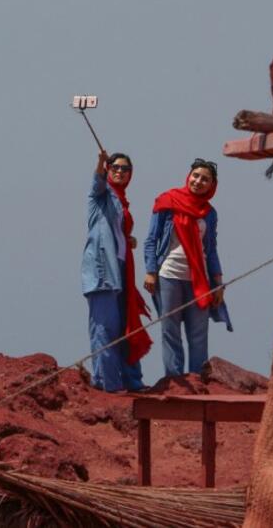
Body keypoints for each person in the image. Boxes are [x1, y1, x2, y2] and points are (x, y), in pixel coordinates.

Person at [144, 158, 229, 378]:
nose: (199, 181)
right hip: (169, 274)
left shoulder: (210, 213)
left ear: (212, 186)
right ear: (188, 176)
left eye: (205, 179)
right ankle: (174, 379)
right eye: (196, 176)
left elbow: (211, 250)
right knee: (170, 330)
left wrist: (218, 283)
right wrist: (151, 271)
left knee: (198, 333)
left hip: (198, 279)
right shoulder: (167, 202)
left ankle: (197, 380)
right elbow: (151, 240)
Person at [81, 150, 151, 392]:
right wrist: (100, 162)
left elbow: (114, 230)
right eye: (116, 168)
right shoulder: (101, 196)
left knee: (125, 324)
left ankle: (129, 381)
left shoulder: (121, 200)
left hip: (121, 268)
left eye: (125, 169)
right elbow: (98, 182)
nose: (120, 172)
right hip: (102, 270)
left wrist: (127, 238)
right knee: (105, 327)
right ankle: (108, 384)